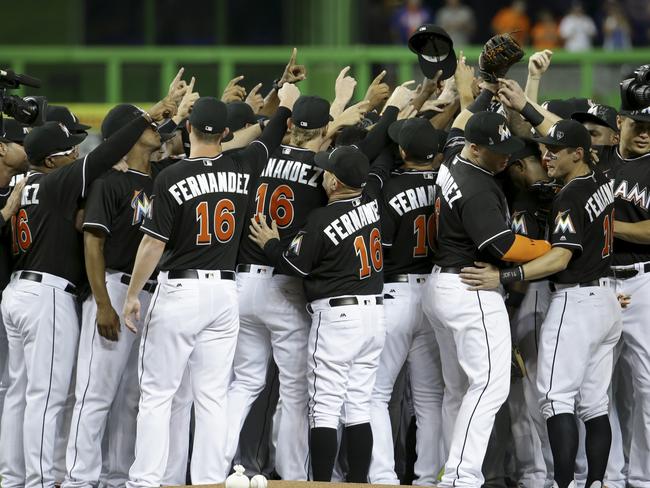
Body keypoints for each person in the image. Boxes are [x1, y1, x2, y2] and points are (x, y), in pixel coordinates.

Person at [121, 86, 299, 487]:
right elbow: (268, 139)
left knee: (158, 395)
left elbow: (152, 243)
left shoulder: (170, 176)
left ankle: (145, 481)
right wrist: (285, 100)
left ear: (188, 128)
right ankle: (207, 480)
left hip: (180, 292)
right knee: (212, 395)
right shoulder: (243, 167)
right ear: (223, 135)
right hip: (224, 293)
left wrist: (133, 294)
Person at [0, 90, 176, 488]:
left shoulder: (27, 184)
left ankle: (14, 478)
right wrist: (148, 115)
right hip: (48, 295)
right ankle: (46, 482)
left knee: (19, 394)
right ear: (51, 161)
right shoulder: (60, 181)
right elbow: (101, 157)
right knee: (49, 398)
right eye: (68, 152)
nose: (76, 155)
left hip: (20, 289)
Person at [460, 119, 622, 488]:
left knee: (554, 398)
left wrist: (503, 278)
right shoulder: (600, 180)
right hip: (607, 300)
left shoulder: (569, 195)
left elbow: (560, 258)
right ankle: (595, 482)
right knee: (595, 404)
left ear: (578, 154)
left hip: (576, 301)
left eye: (555, 150)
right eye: (545, 148)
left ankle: (563, 484)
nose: (546, 155)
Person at [422, 55, 552, 488]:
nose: (504, 160)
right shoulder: (478, 186)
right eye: (497, 153)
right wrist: (551, 247)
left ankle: (446, 469)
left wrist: (487, 86)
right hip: (470, 287)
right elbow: (504, 246)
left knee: (458, 390)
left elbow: (463, 120)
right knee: (491, 387)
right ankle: (460, 476)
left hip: (442, 285)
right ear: (478, 148)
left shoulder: (456, 154)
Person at [61, 78, 197, 488]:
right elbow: (93, 243)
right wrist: (103, 302)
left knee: (132, 397)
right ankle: (80, 479)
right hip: (115, 289)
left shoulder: (161, 177)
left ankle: (118, 477)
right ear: (131, 135)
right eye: (150, 127)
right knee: (95, 393)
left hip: (150, 296)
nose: (158, 131)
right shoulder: (110, 182)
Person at [368, 118, 445, 486]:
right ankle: (428, 478)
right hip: (436, 292)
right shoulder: (451, 184)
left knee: (376, 394)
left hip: (395, 294)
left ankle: (383, 477)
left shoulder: (391, 187)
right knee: (431, 399)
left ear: (402, 152)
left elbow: (378, 251)